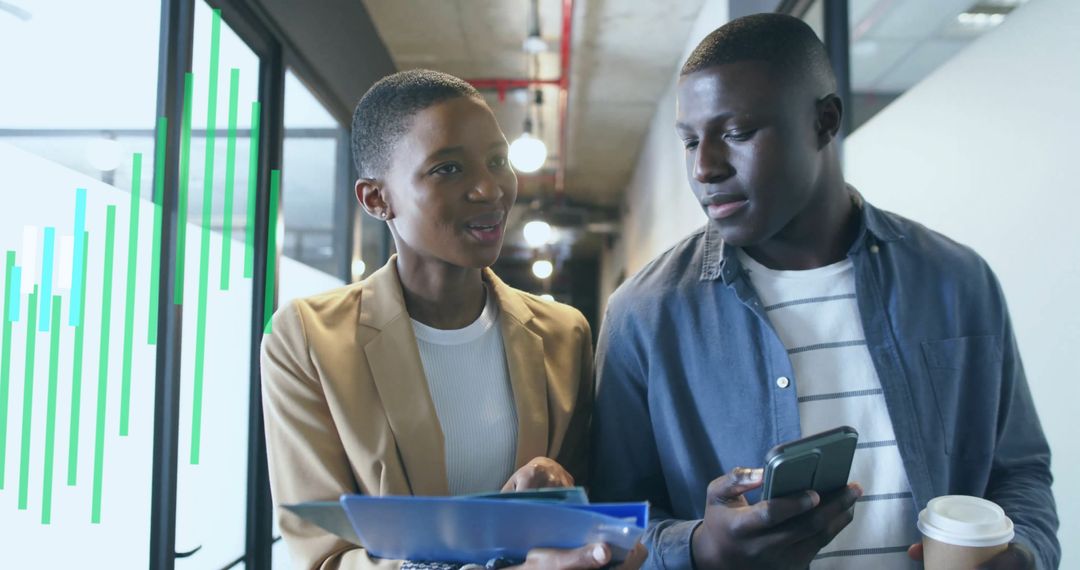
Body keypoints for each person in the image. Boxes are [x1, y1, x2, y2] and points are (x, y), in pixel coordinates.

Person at [590, 13, 1058, 570]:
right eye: (690, 141)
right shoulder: (645, 315)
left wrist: (1024, 554)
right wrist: (699, 548)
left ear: (824, 122)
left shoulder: (957, 282)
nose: (704, 167)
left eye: (736, 133)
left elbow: (1020, 473)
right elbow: (610, 522)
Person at [261, 69, 644, 570]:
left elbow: (587, 524)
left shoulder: (563, 335)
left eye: (498, 161)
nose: (489, 189)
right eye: (447, 168)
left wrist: (567, 502)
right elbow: (324, 556)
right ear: (377, 199)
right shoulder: (309, 339)